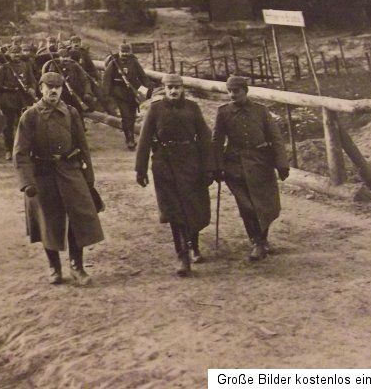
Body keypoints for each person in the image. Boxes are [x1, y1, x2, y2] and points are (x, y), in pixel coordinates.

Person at [13, 71, 104, 286]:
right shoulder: (30, 116)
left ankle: (77, 266)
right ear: (41, 89)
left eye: (58, 87)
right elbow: (20, 153)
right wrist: (27, 182)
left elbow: (83, 147)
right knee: (48, 221)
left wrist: (88, 178)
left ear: (62, 89)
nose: (53, 90)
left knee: (77, 219)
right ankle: (54, 267)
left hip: (70, 171)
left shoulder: (71, 113)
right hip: (43, 175)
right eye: (49, 86)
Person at [135, 73, 217, 276]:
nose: (173, 91)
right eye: (170, 87)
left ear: (182, 89)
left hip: (191, 163)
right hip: (165, 165)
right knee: (174, 212)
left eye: (177, 87)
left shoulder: (192, 108)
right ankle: (183, 256)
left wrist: (210, 167)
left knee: (193, 207)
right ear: (164, 89)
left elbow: (205, 139)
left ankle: (194, 245)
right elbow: (144, 140)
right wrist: (140, 168)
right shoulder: (155, 109)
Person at [212, 75, 290, 261]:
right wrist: (216, 166)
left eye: (236, 91)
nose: (232, 95)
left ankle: (262, 239)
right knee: (247, 206)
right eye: (229, 91)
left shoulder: (261, 111)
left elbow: (276, 138)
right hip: (235, 165)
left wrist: (282, 163)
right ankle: (257, 241)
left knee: (264, 205)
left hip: (260, 163)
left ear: (245, 91)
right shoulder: (223, 112)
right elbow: (216, 141)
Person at [102, 43, 152, 149]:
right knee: (126, 116)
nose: (124, 54)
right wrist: (106, 95)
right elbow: (106, 79)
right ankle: (129, 139)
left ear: (129, 52)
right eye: (122, 52)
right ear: (119, 52)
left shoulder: (134, 62)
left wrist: (148, 88)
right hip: (119, 93)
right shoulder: (114, 63)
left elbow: (142, 76)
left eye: (126, 52)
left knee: (132, 117)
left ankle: (130, 135)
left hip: (132, 93)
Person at [0, 45, 37, 160]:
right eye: (14, 53)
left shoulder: (25, 64)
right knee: (8, 125)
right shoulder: (3, 67)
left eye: (19, 52)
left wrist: (32, 88)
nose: (16, 55)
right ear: (9, 54)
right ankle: (9, 149)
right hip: (7, 98)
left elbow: (32, 80)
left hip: (22, 98)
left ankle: (23, 147)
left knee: (24, 123)